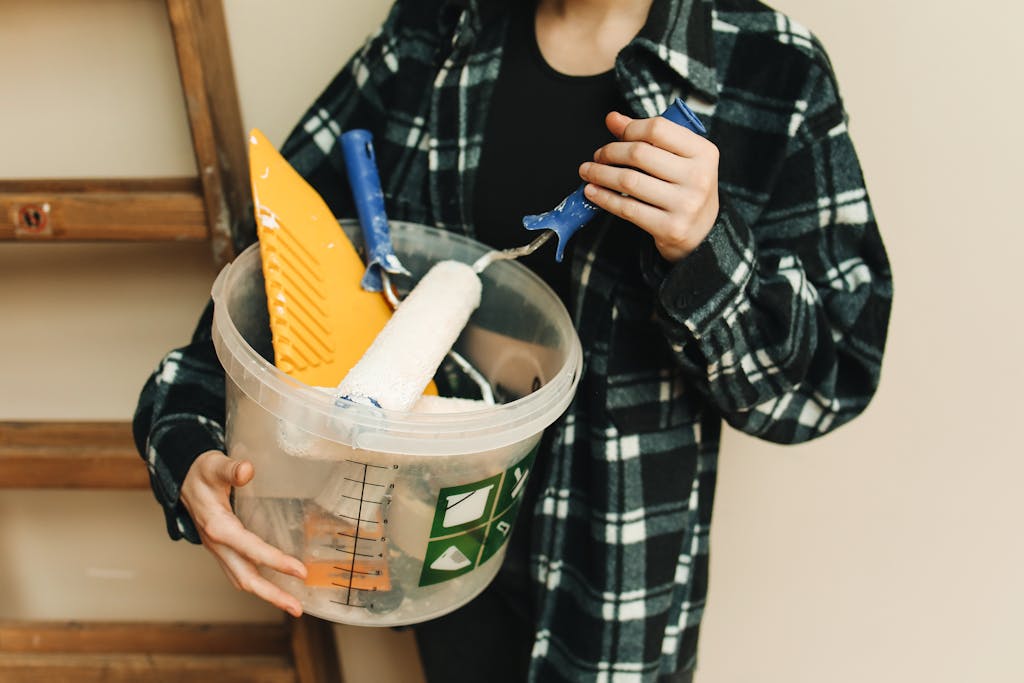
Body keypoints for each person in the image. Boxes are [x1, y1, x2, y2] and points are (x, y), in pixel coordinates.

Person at [133, 0, 892, 681]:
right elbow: (269, 269)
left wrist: (706, 248)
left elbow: (831, 382)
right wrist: (189, 437)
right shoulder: (432, 35)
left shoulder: (772, 72)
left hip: (614, 609)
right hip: (433, 577)